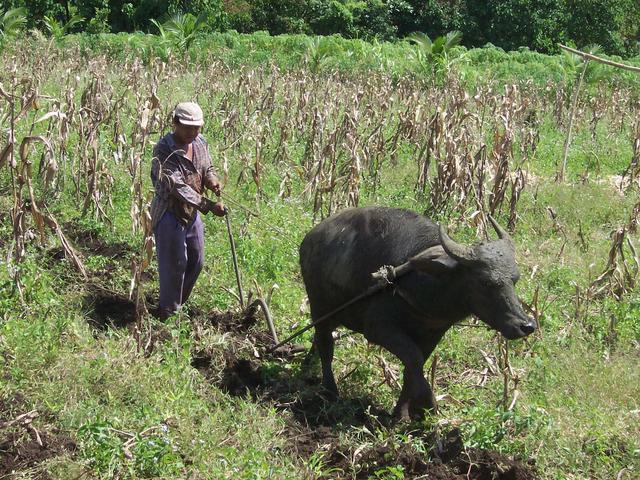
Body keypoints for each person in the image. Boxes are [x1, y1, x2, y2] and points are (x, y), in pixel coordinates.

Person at [150, 101, 226, 320]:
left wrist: (212, 180)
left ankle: (176, 303)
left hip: (191, 213)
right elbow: (177, 187)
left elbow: (207, 167)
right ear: (175, 123)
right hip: (169, 212)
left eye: (197, 127)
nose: (193, 132)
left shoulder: (200, 142)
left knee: (196, 260)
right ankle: (169, 314)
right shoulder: (164, 150)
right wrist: (209, 206)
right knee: (174, 265)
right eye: (187, 127)